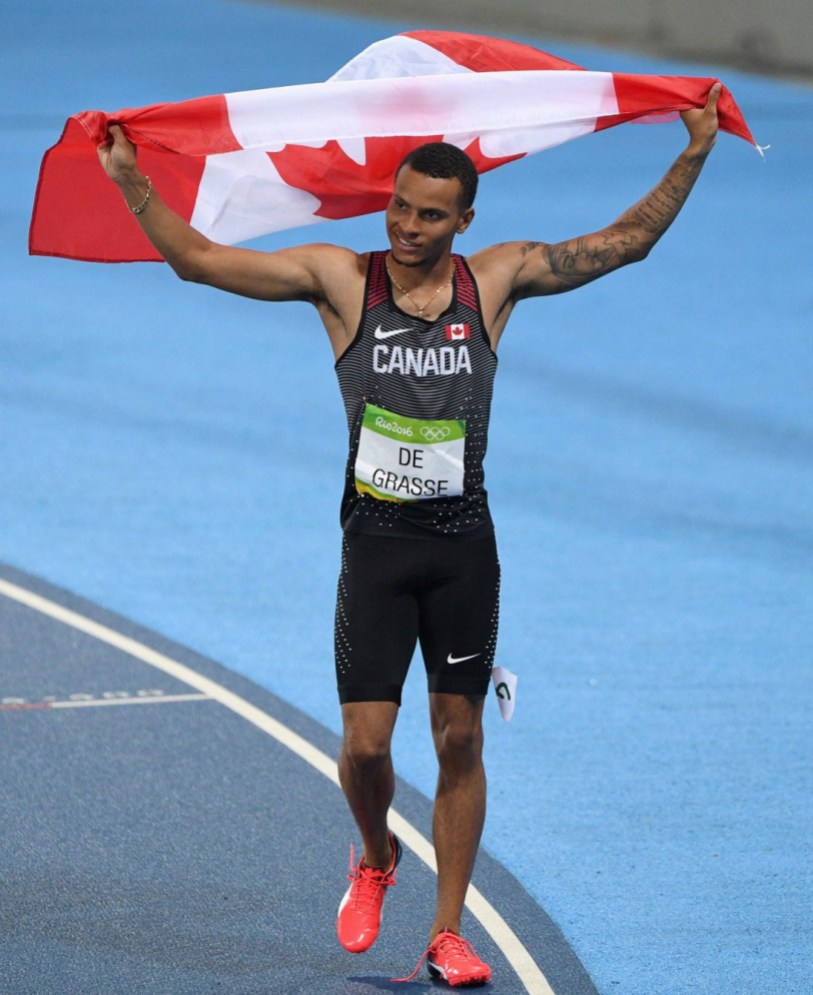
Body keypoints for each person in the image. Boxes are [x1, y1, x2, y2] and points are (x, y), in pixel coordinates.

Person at [98, 82, 721, 988]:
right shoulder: (341, 281)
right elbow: (197, 260)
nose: (407, 226)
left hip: (464, 545)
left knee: (458, 737)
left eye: (430, 215)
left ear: (465, 219)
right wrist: (130, 180)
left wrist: (692, 152)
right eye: (397, 206)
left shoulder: (495, 280)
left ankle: (445, 932)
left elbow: (623, 245)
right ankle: (374, 853)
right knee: (364, 746)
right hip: (378, 548)